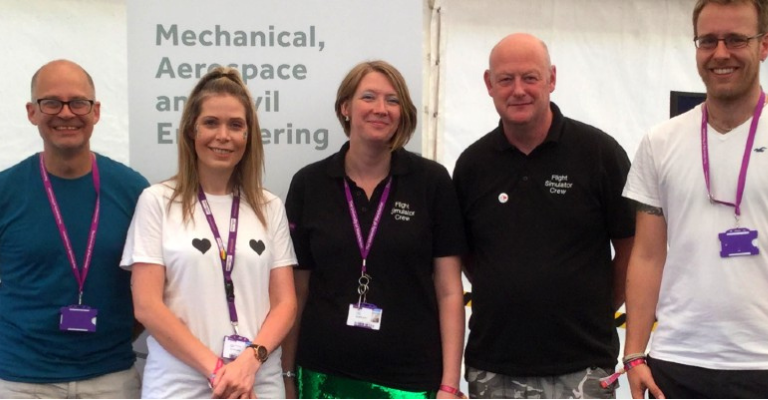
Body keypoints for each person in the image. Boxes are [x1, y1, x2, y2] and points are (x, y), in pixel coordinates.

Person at [453, 33, 636, 399]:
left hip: (583, 365)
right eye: (505, 79)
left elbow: (633, 250)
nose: (518, 90)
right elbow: (467, 257)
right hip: (494, 366)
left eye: (530, 77)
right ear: (489, 85)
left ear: (551, 79)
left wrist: (598, 307)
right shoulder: (472, 165)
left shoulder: (600, 154)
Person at [282, 60, 467, 399]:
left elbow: (449, 290)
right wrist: (287, 374)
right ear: (345, 107)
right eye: (368, 97)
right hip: (323, 375)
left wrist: (449, 384)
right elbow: (297, 291)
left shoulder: (431, 182)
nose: (381, 109)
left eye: (392, 100)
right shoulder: (310, 184)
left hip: (409, 380)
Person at [121, 66, 297, 398]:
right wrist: (220, 372)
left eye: (236, 125)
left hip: (256, 382)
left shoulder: (269, 206)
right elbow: (146, 305)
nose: (223, 135)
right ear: (191, 130)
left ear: (248, 135)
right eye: (211, 123)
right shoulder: (157, 201)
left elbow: (285, 302)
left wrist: (248, 363)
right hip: (180, 385)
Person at [623, 0, 768, 397]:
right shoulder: (660, 142)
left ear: (764, 45)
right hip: (676, 362)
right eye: (707, 41)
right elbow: (648, 255)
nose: (720, 53)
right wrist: (634, 354)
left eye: (736, 39)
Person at [0, 60, 148, 398]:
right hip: (21, 381)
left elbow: (155, 285)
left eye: (78, 102)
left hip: (111, 377)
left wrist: (117, 332)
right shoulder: (5, 191)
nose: (66, 113)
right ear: (31, 112)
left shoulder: (133, 190)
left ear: (95, 111)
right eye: (51, 102)